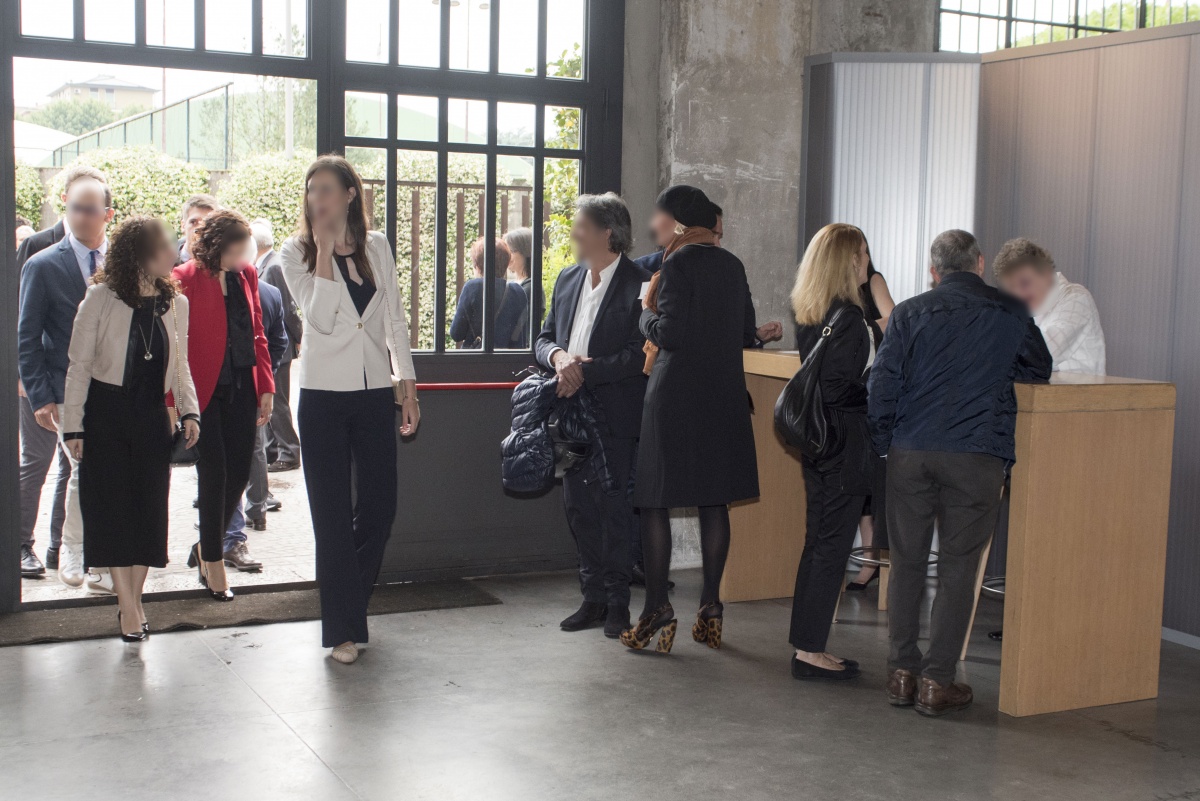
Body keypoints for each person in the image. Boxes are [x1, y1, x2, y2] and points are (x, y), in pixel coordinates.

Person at [868, 229, 1052, 717]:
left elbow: (882, 383)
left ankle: (901, 672)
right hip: (976, 454)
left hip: (911, 451)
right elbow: (1040, 369)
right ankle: (937, 680)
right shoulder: (1011, 311)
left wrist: (885, 444)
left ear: (934, 271)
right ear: (980, 263)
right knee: (958, 568)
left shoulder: (908, 312)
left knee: (907, 561)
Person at [281, 155, 420, 665]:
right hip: (322, 396)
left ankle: (348, 605)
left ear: (349, 195)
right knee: (332, 514)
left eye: (326, 188)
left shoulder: (376, 245)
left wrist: (408, 386)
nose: (316, 198)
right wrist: (322, 251)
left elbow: (394, 318)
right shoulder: (294, 253)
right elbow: (318, 319)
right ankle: (341, 630)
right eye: (311, 189)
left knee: (380, 507)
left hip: (373, 391)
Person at [622, 185, 759, 654]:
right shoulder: (732, 264)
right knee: (713, 500)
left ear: (678, 221)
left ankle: (656, 609)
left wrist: (644, 315)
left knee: (654, 500)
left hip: (675, 398)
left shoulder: (675, 265)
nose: (653, 225)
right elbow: (746, 332)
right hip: (722, 397)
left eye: (658, 217)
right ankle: (711, 608)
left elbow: (671, 333)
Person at [61, 216, 201, 640]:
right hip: (105, 416)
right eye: (165, 245)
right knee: (113, 514)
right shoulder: (101, 297)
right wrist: (73, 427)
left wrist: (190, 412)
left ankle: (132, 602)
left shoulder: (177, 304)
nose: (174, 252)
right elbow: (78, 366)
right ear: (141, 254)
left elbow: (181, 365)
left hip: (152, 417)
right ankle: (128, 608)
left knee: (148, 514)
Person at [535, 193, 650, 638]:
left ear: (607, 233)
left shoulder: (642, 283)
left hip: (616, 414)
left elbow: (641, 353)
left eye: (581, 225)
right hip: (570, 413)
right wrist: (560, 358)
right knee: (579, 508)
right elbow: (543, 338)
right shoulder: (567, 278)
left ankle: (619, 603)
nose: (573, 233)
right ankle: (593, 599)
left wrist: (586, 371)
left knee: (615, 509)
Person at [787, 223, 878, 681]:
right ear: (849, 260)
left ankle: (806, 644)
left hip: (819, 444)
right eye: (863, 253)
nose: (868, 261)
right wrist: (875, 395)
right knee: (831, 546)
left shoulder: (812, 312)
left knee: (818, 542)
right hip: (844, 445)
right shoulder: (850, 320)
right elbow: (839, 387)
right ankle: (810, 652)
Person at [17, 165, 115, 588]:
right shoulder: (41, 264)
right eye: (74, 208)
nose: (79, 217)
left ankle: (78, 550)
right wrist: (38, 395)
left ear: (108, 214)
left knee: (97, 472)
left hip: (114, 390)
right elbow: (26, 335)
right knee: (80, 468)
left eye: (89, 210)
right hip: (62, 388)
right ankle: (73, 550)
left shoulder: (123, 261)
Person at [174, 210, 275, 602]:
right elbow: (175, 345)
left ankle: (205, 546)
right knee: (214, 474)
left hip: (242, 387)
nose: (240, 258)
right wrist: (176, 402)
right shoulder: (184, 278)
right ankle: (214, 563)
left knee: (239, 474)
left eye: (242, 250)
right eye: (233, 251)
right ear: (215, 246)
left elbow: (258, 332)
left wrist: (266, 386)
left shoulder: (247, 275)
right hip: (202, 392)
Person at [222, 267, 288, 571]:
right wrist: (267, 375)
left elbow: (266, 338)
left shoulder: (261, 290)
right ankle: (255, 510)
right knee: (253, 451)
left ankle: (231, 529)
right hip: (232, 389)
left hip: (244, 390)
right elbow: (279, 341)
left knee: (243, 456)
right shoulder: (271, 292)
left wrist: (264, 383)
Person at [846, 237, 896, 591]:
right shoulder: (835, 288)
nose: (863, 257)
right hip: (849, 383)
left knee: (871, 484)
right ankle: (869, 563)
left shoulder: (873, 281)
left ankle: (872, 562)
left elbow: (892, 319)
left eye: (864, 251)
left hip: (871, 386)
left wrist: (858, 331)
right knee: (858, 488)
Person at [993, 237, 1105, 375]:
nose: (1019, 294)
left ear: (1046, 273)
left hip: (1079, 389)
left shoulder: (1076, 297)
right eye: (1011, 288)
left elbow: (1042, 353)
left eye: (1024, 283)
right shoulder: (1023, 310)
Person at [251, 218, 303, 472]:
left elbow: (287, 308)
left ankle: (289, 451)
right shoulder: (267, 264)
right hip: (276, 345)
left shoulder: (273, 267)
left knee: (278, 401)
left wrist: (298, 337)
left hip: (279, 347)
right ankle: (273, 450)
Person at [448, 238, 529, 349]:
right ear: (506, 263)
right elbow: (520, 338)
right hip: (508, 358)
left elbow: (456, 334)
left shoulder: (472, 287)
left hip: (475, 358)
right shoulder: (518, 292)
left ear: (478, 266)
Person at [504, 227, 545, 346]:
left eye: (511, 251)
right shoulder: (514, 284)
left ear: (525, 251)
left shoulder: (531, 288)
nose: (507, 256)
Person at [176, 194, 219, 264]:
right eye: (193, 222)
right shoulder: (163, 261)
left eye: (207, 223)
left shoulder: (227, 264)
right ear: (183, 226)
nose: (200, 229)